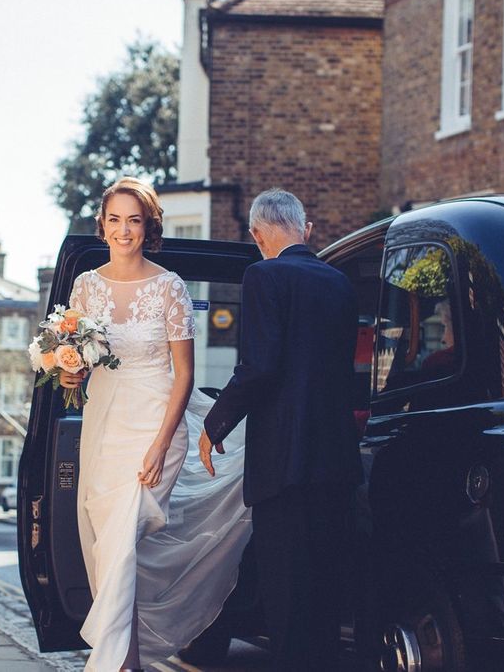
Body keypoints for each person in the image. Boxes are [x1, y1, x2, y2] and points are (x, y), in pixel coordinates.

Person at [60, 177, 251, 671]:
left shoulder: (170, 287)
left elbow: (184, 376)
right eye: (115, 219)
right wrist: (67, 369)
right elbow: (75, 377)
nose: (124, 230)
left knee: (123, 542)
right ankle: (131, 663)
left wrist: (160, 445)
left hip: (154, 425)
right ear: (102, 225)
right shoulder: (85, 287)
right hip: (102, 426)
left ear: (149, 227)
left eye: (134, 220)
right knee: (107, 550)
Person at [199, 187, 362, 672]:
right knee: (325, 601)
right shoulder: (340, 283)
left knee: (287, 602)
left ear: (256, 234)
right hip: (336, 463)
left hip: (283, 469)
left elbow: (260, 366)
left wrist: (215, 423)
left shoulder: (263, 274)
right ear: (305, 230)